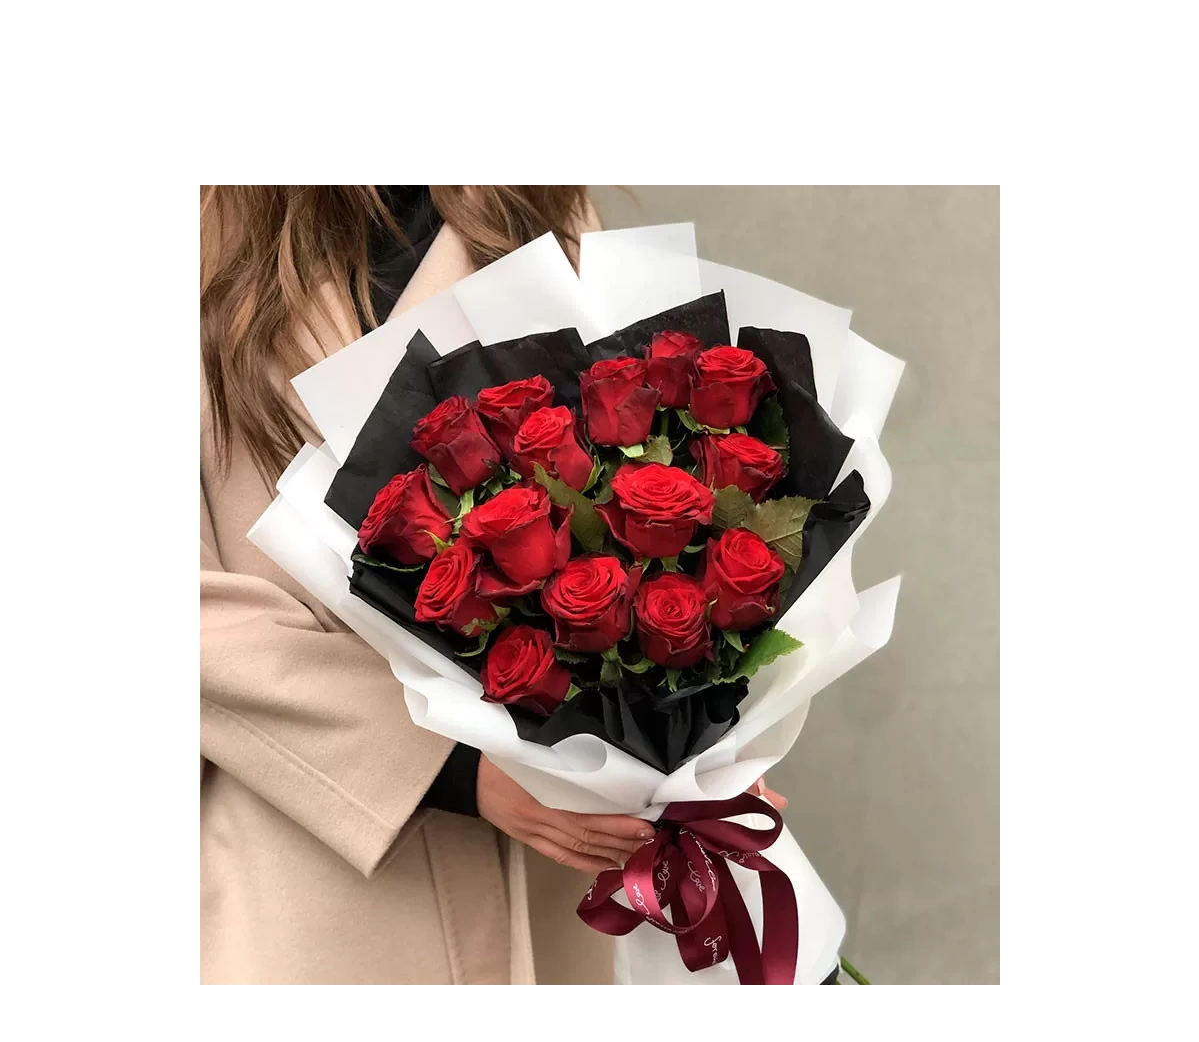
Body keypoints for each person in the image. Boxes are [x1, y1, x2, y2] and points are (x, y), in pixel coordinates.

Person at [200, 185, 793, 985]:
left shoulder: (530, 200)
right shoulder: (197, 241)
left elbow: (648, 475)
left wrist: (699, 746)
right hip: (321, 862)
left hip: (575, 856)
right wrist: (447, 767)